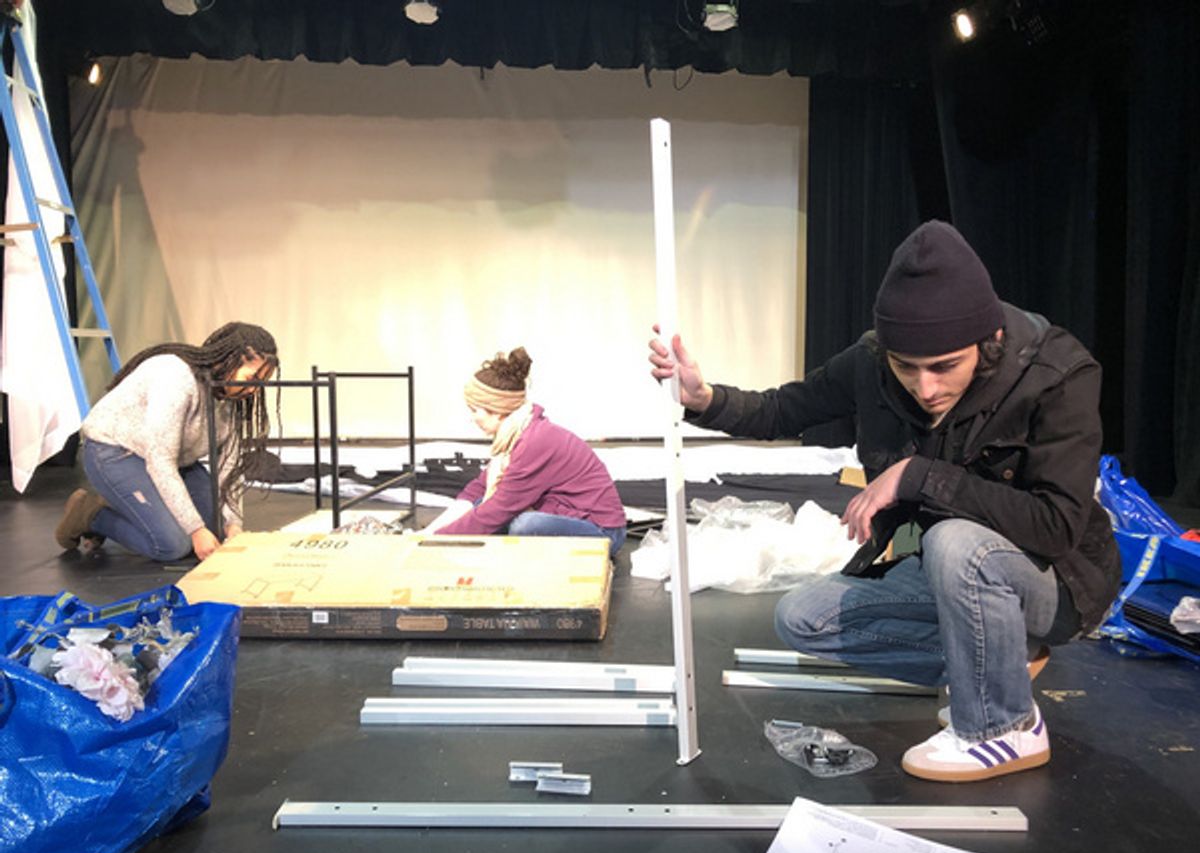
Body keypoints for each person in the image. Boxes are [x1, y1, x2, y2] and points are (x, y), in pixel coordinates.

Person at [648, 220, 1121, 782]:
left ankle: (1003, 725)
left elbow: (1056, 527)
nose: (925, 388)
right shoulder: (870, 362)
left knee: (955, 541)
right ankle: (1002, 667)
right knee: (804, 618)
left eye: (945, 366)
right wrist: (704, 398)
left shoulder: (1055, 374)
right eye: (907, 367)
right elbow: (782, 409)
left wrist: (920, 476)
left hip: (1059, 582)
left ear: (987, 340)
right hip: (943, 564)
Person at [54, 322, 279, 562]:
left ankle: (136, 507)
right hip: (115, 453)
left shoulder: (230, 396)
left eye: (260, 383)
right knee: (173, 545)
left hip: (174, 462)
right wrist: (194, 529)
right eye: (252, 378)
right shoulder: (177, 378)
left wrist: (234, 524)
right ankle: (91, 513)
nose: (254, 390)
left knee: (215, 531)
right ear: (227, 361)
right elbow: (160, 460)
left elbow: (228, 467)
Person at [426, 346, 627, 555]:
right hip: (563, 513)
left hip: (603, 532)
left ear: (497, 411)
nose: (472, 417)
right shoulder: (513, 436)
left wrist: (438, 541)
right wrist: (430, 532)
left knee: (524, 525)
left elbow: (498, 509)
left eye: (475, 410)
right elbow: (479, 489)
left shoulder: (534, 441)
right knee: (480, 505)